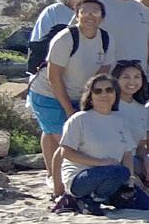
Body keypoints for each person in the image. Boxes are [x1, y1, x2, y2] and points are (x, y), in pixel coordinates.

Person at [29, 0, 113, 200]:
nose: (90, 16)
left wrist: (88, 101)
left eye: (95, 12)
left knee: (53, 132)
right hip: (47, 93)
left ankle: (54, 176)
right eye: (85, 11)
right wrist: (68, 109)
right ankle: (59, 186)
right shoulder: (65, 38)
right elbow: (54, 76)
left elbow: (103, 71)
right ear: (77, 15)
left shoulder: (105, 38)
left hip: (79, 93)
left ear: (102, 17)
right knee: (65, 140)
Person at [55, 74, 140, 215]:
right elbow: (66, 152)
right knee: (119, 171)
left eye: (109, 90)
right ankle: (88, 199)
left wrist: (130, 180)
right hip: (81, 177)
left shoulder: (121, 121)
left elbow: (127, 154)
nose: (104, 94)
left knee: (144, 203)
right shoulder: (79, 119)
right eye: (98, 91)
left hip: (112, 175)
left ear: (116, 94)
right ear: (90, 96)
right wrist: (101, 163)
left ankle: (100, 198)